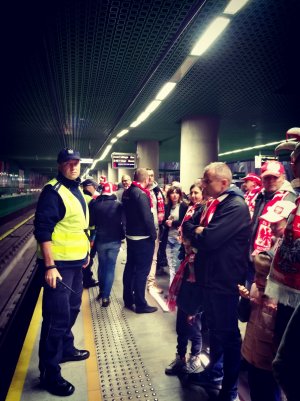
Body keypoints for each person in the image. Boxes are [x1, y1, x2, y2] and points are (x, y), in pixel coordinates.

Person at [184, 162, 251, 401]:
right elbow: (188, 225)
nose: (202, 184)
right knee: (215, 330)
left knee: (229, 335)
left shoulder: (235, 206)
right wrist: (197, 230)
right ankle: (215, 372)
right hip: (210, 279)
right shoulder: (214, 204)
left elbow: (210, 239)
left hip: (224, 281)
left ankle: (229, 389)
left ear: (224, 183)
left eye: (207, 180)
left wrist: (200, 231)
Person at [34, 148, 90, 397]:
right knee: (56, 319)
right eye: (68, 163)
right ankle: (49, 372)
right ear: (60, 165)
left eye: (76, 162)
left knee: (74, 308)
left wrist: (86, 253)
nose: (73, 166)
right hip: (59, 267)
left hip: (76, 264)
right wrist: (50, 265)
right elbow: (43, 230)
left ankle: (66, 349)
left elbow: (77, 227)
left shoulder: (76, 188)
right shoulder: (52, 191)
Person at [238, 200, 295, 401]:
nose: (271, 228)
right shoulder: (274, 245)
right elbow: (245, 315)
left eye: (276, 224)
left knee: (269, 391)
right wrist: (248, 298)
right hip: (255, 350)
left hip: (270, 354)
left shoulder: (289, 253)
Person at [165, 184, 205, 376]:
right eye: (193, 192)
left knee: (194, 320)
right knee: (182, 319)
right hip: (187, 272)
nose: (194, 195)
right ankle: (181, 356)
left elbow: (198, 232)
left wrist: (193, 233)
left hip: (199, 277)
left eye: (198, 192)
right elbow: (187, 229)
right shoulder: (192, 210)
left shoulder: (205, 212)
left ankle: (195, 357)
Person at [248, 160, 296, 287]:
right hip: (253, 258)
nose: (270, 181)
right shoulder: (259, 196)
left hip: (271, 263)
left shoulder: (290, 198)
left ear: (283, 177)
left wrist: (268, 257)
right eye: (267, 178)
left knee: (267, 302)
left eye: (275, 177)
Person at [122, 168, 158, 313]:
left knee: (130, 268)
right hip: (143, 238)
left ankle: (128, 299)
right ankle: (141, 304)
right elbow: (147, 217)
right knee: (142, 272)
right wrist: (153, 235)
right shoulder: (141, 194)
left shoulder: (127, 192)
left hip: (131, 236)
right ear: (146, 179)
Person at [89, 182, 124, 307]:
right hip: (114, 240)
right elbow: (123, 221)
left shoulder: (95, 204)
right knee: (110, 268)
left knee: (101, 266)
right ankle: (105, 297)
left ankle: (101, 291)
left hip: (100, 240)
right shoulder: (119, 205)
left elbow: (91, 222)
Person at [163, 186, 188, 287]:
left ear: (180, 195)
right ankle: (172, 290)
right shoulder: (167, 206)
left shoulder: (183, 206)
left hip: (178, 238)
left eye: (176, 193)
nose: (174, 195)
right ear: (169, 195)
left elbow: (184, 221)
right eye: (172, 193)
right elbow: (163, 220)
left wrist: (172, 223)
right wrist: (166, 222)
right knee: (171, 266)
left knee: (176, 265)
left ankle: (173, 290)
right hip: (168, 238)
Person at [146, 168, 165, 294]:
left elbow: (162, 209)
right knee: (143, 257)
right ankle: (141, 281)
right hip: (141, 231)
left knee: (153, 258)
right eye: (148, 175)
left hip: (155, 228)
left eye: (152, 175)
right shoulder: (139, 191)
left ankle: (150, 282)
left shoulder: (158, 192)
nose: (150, 178)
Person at [81, 178, 100, 288]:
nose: (95, 189)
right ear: (89, 186)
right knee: (89, 257)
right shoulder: (91, 201)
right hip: (90, 232)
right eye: (95, 187)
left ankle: (81, 278)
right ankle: (87, 280)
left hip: (80, 232)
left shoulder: (79, 197)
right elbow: (93, 220)